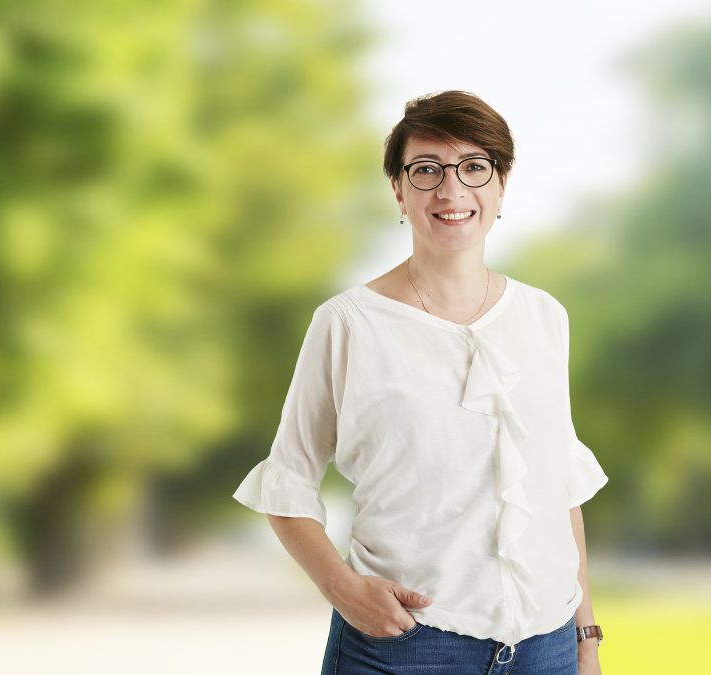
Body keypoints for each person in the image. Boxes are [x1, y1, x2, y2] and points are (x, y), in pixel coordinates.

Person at [233, 90, 608, 674]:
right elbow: (288, 481)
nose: (452, 190)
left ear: (501, 186)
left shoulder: (544, 317)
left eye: (474, 168)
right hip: (408, 646)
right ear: (398, 190)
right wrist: (342, 588)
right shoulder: (348, 323)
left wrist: (585, 636)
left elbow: (558, 488)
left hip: (548, 648)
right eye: (427, 170)